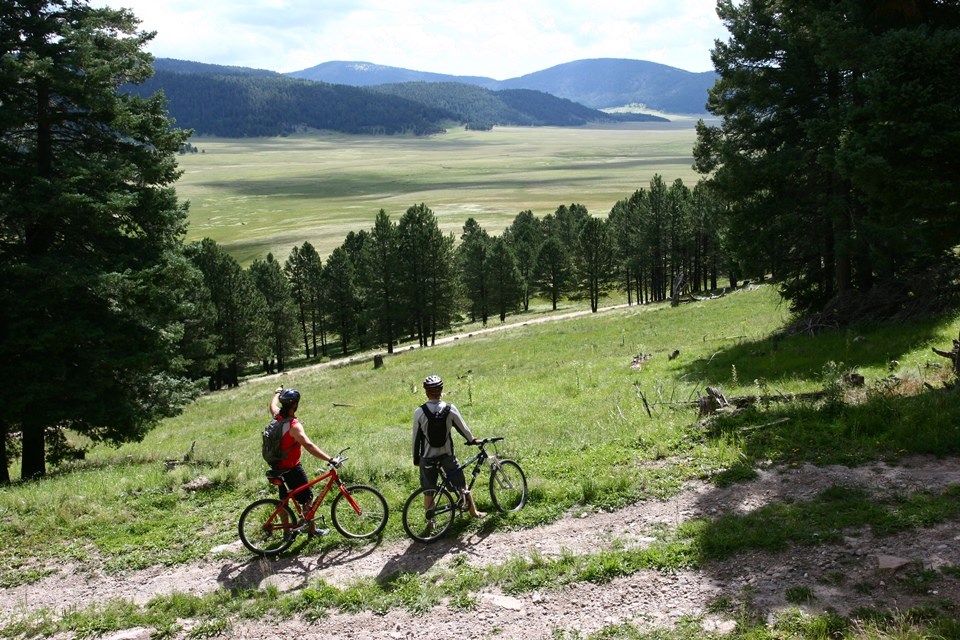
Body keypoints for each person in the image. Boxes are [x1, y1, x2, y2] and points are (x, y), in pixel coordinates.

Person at [412, 374, 486, 519]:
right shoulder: (450, 409)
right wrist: (471, 439)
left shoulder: (419, 412)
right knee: (462, 486)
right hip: (447, 456)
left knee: (428, 491)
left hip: (427, 458)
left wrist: (416, 459)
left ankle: (430, 522)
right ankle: (474, 513)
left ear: (426, 392)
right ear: (441, 390)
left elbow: (416, 438)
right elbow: (463, 429)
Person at [268, 386, 336, 535]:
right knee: (307, 499)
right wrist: (330, 459)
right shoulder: (294, 426)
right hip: (292, 468)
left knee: (283, 501)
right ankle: (312, 531)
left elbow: (272, 405)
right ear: (295, 405)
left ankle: (286, 534)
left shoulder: (277, 415)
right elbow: (310, 446)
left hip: (278, 466)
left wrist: (277, 393)